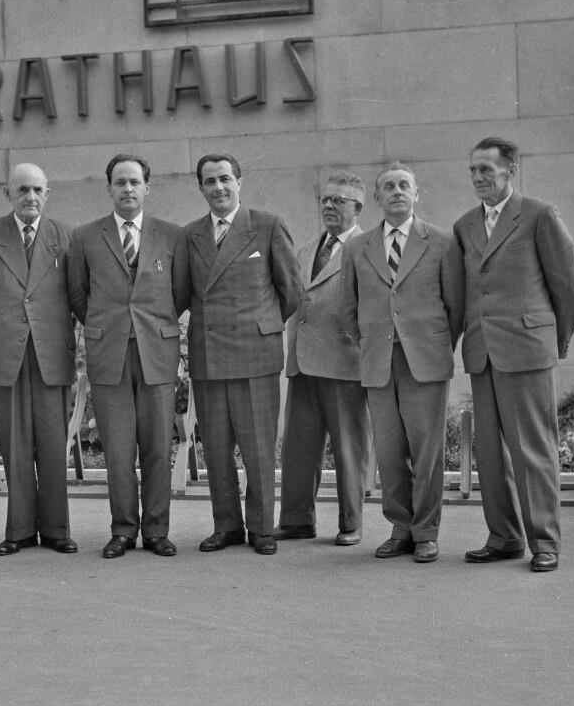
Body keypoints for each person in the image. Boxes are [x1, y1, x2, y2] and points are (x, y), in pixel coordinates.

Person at [454, 137, 574, 573]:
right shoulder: (464, 225)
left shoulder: (539, 216)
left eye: (486, 170)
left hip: (527, 351)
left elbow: (568, 288)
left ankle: (544, 541)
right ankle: (504, 537)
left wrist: (552, 342)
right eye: (473, 170)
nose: (477, 178)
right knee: (490, 453)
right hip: (482, 352)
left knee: (532, 450)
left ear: (511, 170)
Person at [177, 153, 301, 555]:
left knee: (258, 448)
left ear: (239, 182)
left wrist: (260, 326)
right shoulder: (190, 235)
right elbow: (182, 294)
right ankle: (227, 525)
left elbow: (292, 292)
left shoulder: (267, 225)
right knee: (215, 449)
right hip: (209, 355)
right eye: (209, 181)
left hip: (255, 356)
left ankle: (261, 527)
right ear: (200, 188)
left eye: (225, 179)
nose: (218, 188)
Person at [67, 155, 190, 558]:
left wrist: (151, 325)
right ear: (109, 189)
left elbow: (180, 293)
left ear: (147, 188)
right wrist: (109, 325)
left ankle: (156, 530)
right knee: (118, 451)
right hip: (110, 354)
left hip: (157, 352)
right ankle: (122, 530)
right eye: (120, 182)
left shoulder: (171, 236)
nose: (127, 189)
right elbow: (79, 295)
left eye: (135, 182)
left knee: (158, 446)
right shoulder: (86, 237)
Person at [343, 161, 464, 564]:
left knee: (427, 450)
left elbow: (455, 307)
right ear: (377, 198)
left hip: (424, 362)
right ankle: (401, 528)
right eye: (389, 187)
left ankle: (426, 532)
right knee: (390, 450)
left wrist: (435, 346)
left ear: (416, 194)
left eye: (403, 186)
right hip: (378, 361)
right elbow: (348, 307)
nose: (397, 192)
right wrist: (370, 344)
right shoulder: (358, 248)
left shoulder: (442, 242)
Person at [0, 162, 77, 556]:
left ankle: (57, 530)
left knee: (52, 442)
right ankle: (21, 530)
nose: (30, 197)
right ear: (7, 194)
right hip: (6, 350)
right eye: (22, 190)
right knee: (14, 444)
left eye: (37, 190)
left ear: (48, 194)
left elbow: (76, 294)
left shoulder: (66, 235)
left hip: (50, 352)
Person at [274, 172, 371, 547]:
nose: (329, 206)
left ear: (357, 208)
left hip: (345, 362)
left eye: (339, 201)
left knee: (349, 448)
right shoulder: (305, 250)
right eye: (325, 200)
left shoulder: (367, 249)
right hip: (302, 363)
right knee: (298, 446)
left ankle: (351, 522)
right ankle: (297, 519)